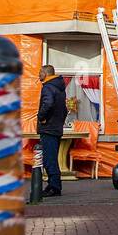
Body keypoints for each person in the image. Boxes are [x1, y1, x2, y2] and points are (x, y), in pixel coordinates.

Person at [37, 64, 68, 197]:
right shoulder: (60, 87)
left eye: (40, 72)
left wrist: (41, 117)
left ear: (46, 73)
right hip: (56, 127)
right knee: (52, 158)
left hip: (48, 128)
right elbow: (64, 109)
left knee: (49, 159)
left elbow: (48, 103)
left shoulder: (48, 87)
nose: (38, 75)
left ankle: (54, 187)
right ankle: (54, 185)